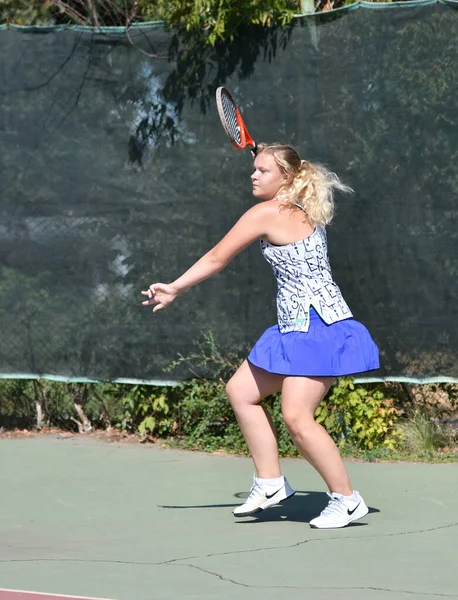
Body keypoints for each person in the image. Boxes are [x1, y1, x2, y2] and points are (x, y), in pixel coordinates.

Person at [142, 143, 379, 529]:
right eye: (254, 168)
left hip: (316, 328)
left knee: (297, 417)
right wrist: (271, 154)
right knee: (241, 392)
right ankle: (270, 483)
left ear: (286, 177)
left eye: (263, 171)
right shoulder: (299, 209)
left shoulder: (268, 213)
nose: (253, 175)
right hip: (297, 326)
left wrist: (175, 287)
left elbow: (219, 257)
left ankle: (347, 499)